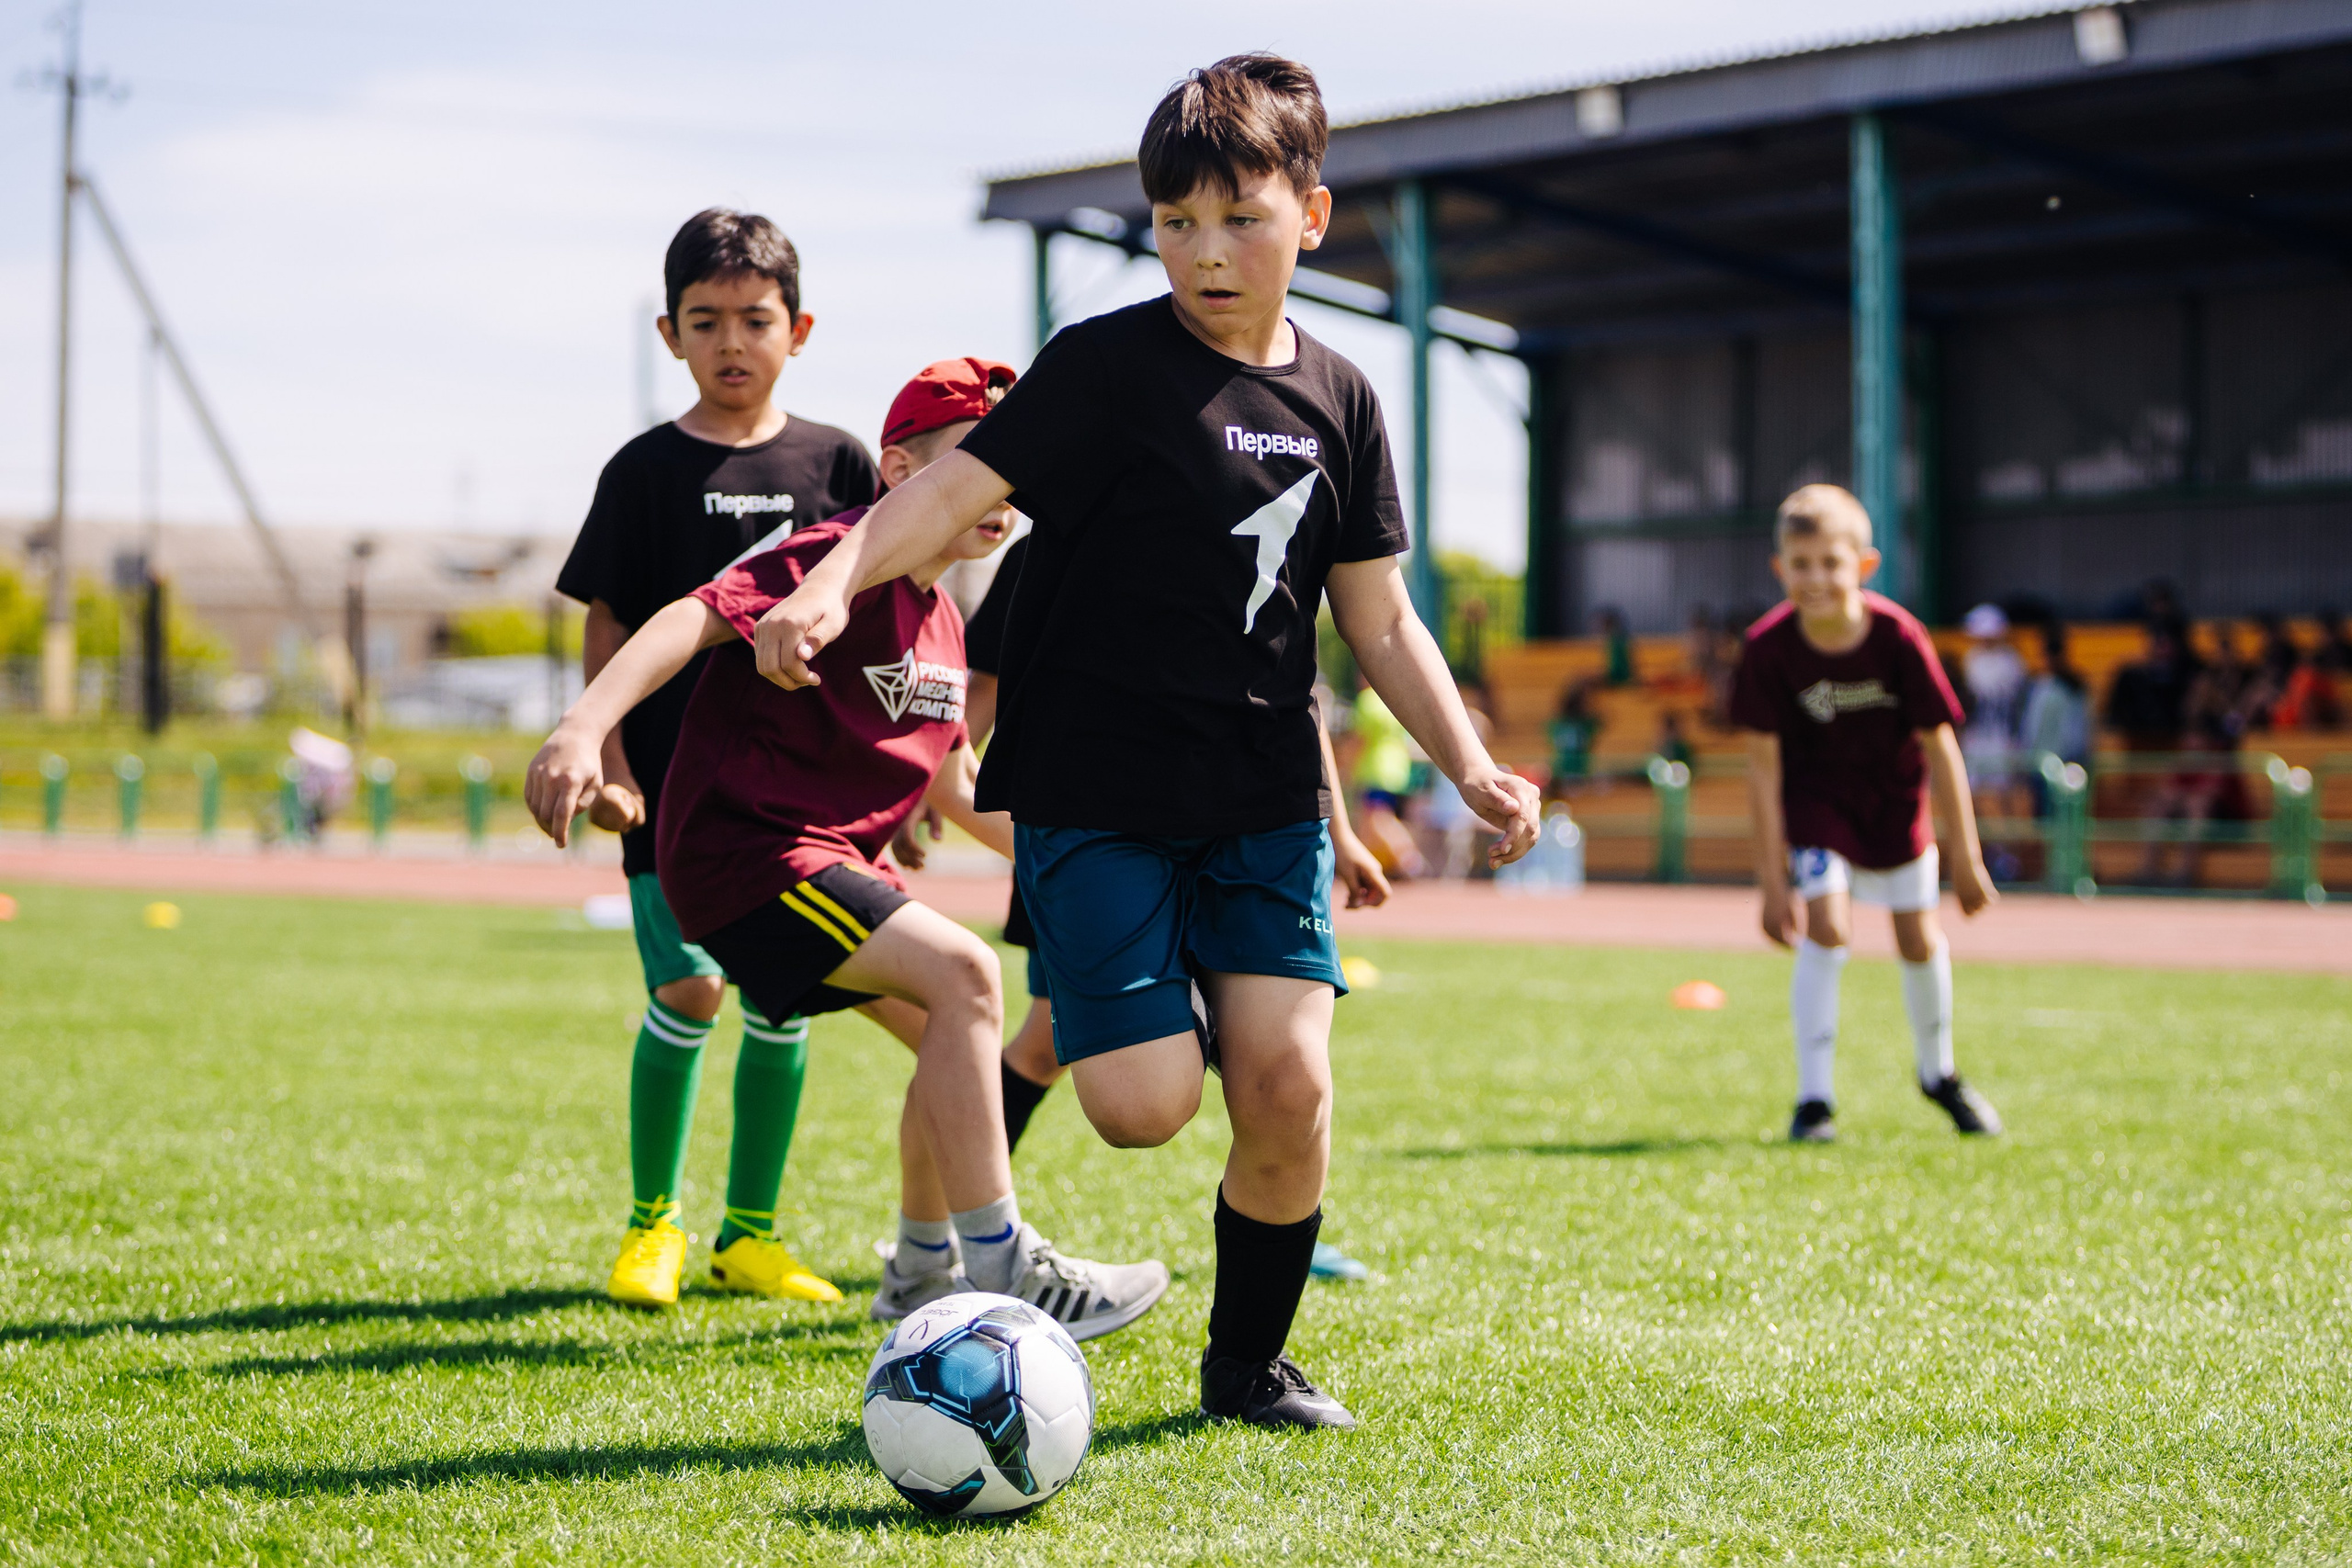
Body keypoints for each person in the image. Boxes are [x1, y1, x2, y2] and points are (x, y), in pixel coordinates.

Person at [744, 54, 1542, 1429]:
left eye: (1238, 218)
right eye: (1176, 223)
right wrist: (827, 583)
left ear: (1312, 213)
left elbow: (1380, 616)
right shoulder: (1103, 366)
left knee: (1290, 1087)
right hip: (1099, 795)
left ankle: (1248, 1365)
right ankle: (1009, 1216)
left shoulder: (1344, 399)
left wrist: (1468, 762)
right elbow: (949, 493)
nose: (1205, 251)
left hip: (1264, 800)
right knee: (1141, 1102)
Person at [528, 357, 1169, 1341]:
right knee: (964, 974)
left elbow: (958, 789)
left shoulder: (944, 621)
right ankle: (1003, 1261)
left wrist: (1110, 863)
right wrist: (582, 728)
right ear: (901, 468)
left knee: (947, 1040)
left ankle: (918, 1272)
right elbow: (680, 619)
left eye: (1013, 478)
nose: (999, 494)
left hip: (829, 867)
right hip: (750, 857)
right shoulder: (835, 559)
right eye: (976, 465)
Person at [553, 209, 882, 1308]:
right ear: (669, 333)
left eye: (755, 319)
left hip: (793, 800)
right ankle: (653, 1226)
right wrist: (604, 750)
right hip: (671, 797)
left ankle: (750, 1236)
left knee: (781, 1002)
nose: (732, 342)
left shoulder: (842, 463)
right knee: (690, 990)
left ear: (800, 327)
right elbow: (609, 619)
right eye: (707, 322)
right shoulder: (644, 469)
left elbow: (877, 618)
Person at [1731, 483, 2003, 1145]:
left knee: (1917, 937)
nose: (1816, 577)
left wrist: (1966, 857)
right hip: (1819, 802)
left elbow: (1942, 747)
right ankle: (1813, 1099)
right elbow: (1763, 773)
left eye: (1831, 561)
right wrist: (1772, 886)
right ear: (1780, 569)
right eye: (1801, 564)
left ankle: (1938, 1073)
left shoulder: (1898, 637)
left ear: (1864, 564)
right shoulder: (1767, 650)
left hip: (1895, 802)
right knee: (1826, 926)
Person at [1344, 682, 1425, 878]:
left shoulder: (1368, 700)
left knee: (1378, 820)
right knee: (1369, 824)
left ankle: (1410, 859)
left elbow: (1359, 739)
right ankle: (1373, 867)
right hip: (1399, 769)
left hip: (1375, 770)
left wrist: (1347, 766)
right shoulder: (1396, 699)